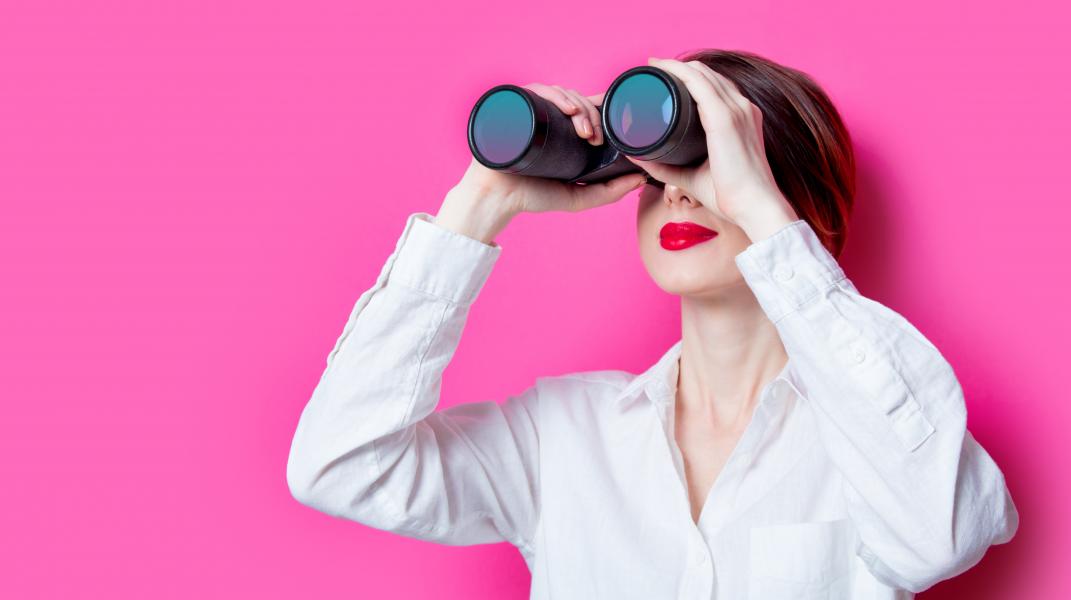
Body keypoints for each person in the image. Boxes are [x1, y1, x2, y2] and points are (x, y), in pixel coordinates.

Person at [286, 49, 1019, 599]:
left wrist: (764, 215)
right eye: (664, 172)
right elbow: (341, 466)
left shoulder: (867, 442)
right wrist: (479, 204)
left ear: (797, 212)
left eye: (707, 170)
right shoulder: (562, 435)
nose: (678, 196)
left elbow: (937, 538)